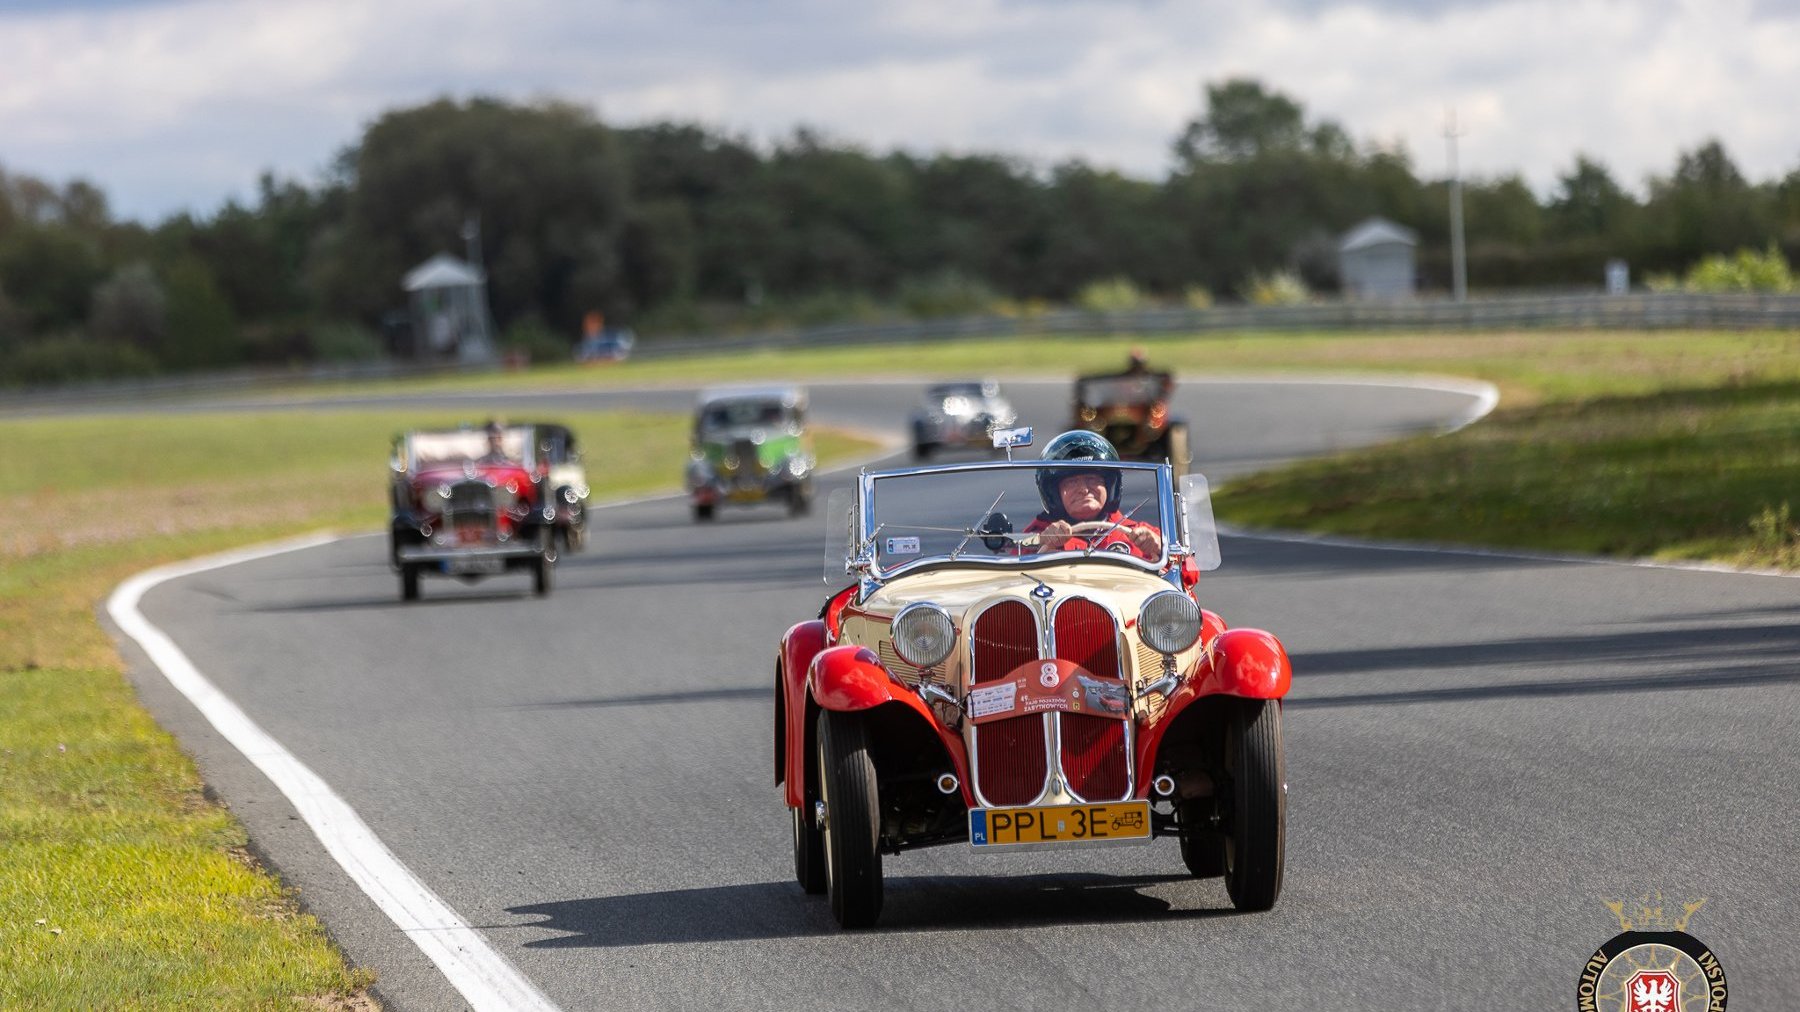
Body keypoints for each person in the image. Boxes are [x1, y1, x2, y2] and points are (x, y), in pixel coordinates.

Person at [1022, 431, 1163, 559]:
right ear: (1054, 492)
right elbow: (1013, 576)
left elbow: (1182, 574)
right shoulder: (1036, 536)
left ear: (1109, 484)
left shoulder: (1141, 534)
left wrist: (1159, 549)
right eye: (1071, 482)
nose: (1083, 489)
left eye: (1092, 479)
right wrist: (1043, 546)